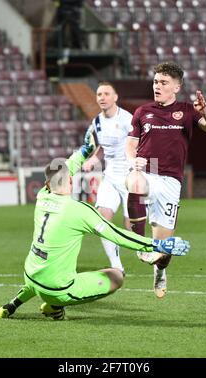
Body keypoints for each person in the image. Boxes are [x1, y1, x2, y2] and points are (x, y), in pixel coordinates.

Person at [0, 130, 190, 320]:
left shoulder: (42, 196)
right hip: (57, 291)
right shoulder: (79, 211)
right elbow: (118, 236)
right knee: (116, 277)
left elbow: (64, 169)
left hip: (30, 276)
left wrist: (84, 151)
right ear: (71, 180)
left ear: (48, 184)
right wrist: (158, 245)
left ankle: (13, 305)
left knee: (44, 265)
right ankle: (55, 306)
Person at [126, 61, 206, 299]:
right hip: (149, 170)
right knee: (134, 183)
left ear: (176, 87)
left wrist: (205, 113)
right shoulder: (143, 112)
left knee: (163, 250)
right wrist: (133, 161)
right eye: (155, 82)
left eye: (163, 83)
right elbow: (130, 145)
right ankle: (140, 245)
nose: (157, 86)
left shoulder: (188, 111)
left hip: (171, 179)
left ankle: (160, 272)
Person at [82, 81, 133, 274]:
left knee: (131, 229)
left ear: (115, 97)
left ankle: (146, 252)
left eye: (106, 94)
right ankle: (116, 265)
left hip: (129, 177)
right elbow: (101, 149)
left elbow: (140, 144)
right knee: (103, 220)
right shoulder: (97, 122)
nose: (102, 97)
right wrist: (92, 161)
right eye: (99, 94)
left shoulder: (128, 119)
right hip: (110, 177)